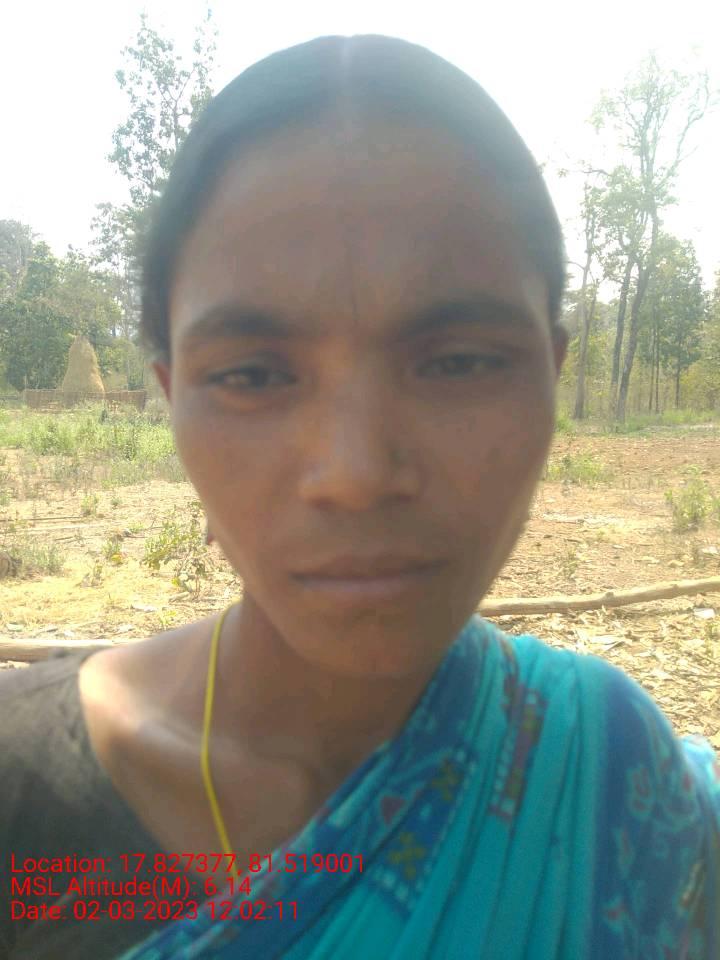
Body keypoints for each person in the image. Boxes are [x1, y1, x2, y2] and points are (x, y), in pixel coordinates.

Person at [1, 33, 718, 960]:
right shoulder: (23, 795)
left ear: (550, 375)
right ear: (171, 400)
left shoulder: (615, 784)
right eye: (254, 375)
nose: (356, 474)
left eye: (460, 361)